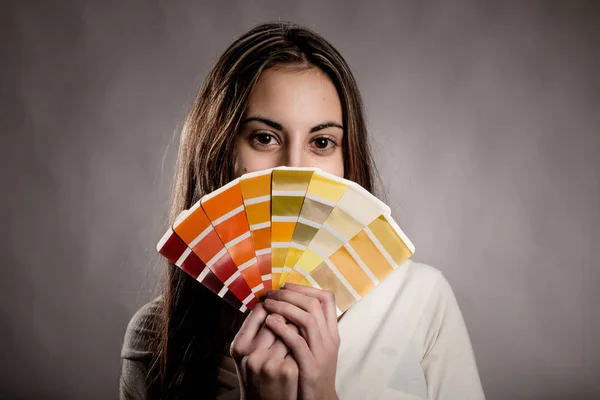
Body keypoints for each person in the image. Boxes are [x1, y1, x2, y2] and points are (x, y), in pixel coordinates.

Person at [119, 21, 486, 400]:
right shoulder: (156, 336)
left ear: (348, 159)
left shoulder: (421, 300)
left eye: (322, 142)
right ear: (220, 152)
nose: (294, 169)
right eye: (265, 138)